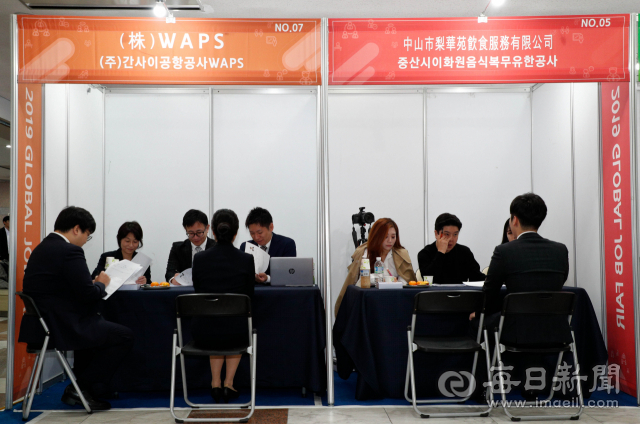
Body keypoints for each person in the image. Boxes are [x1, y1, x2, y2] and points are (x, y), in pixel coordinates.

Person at [19, 206, 134, 411]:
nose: (85, 241)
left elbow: (64, 287)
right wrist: (101, 284)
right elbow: (88, 294)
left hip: (41, 325)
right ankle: (80, 388)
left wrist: (92, 285)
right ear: (76, 229)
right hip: (62, 325)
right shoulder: (70, 251)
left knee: (99, 329)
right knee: (124, 336)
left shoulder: (42, 247)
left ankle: (90, 388)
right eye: (87, 235)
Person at [192, 209, 255, 403]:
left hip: (204, 333)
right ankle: (228, 384)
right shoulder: (246, 260)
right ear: (236, 233)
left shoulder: (199, 259)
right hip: (237, 333)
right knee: (235, 323)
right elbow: (249, 298)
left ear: (213, 232)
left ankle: (215, 383)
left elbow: (199, 292)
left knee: (215, 322)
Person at [335, 218, 416, 315]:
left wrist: (396, 282)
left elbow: (408, 282)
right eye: (385, 237)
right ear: (377, 236)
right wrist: (374, 279)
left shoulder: (401, 254)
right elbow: (358, 284)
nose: (390, 241)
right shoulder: (365, 253)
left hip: (395, 301)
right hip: (371, 303)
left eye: (393, 237)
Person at [416, 213, 486, 284]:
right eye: (447, 234)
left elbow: (477, 277)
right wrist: (441, 252)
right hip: (435, 291)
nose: (451, 239)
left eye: (455, 234)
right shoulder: (425, 253)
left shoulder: (464, 252)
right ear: (436, 234)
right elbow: (430, 279)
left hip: (460, 291)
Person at [238, 207, 296, 284]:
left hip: (277, 290)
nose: (256, 237)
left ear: (271, 227)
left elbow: (289, 274)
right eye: (252, 233)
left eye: (260, 233)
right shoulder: (245, 247)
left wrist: (268, 278)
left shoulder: (287, 244)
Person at [165, 209, 216, 284]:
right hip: (186, 290)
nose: (195, 237)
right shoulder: (178, 248)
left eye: (199, 232)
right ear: (185, 229)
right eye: (191, 233)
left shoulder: (217, 247)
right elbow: (170, 272)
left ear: (207, 228)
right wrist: (173, 279)